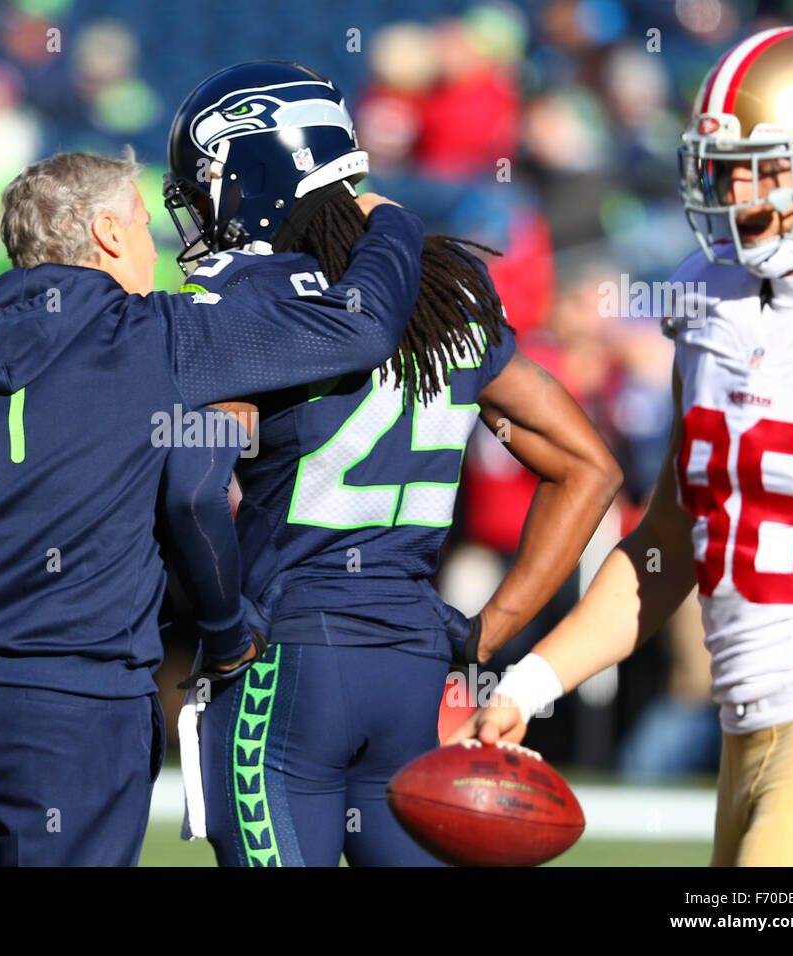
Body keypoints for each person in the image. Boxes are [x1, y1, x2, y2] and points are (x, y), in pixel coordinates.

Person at [0, 149, 428, 866]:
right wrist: (392, 226)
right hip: (77, 707)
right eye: (148, 227)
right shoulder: (162, 336)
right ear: (110, 234)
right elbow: (360, 330)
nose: (160, 247)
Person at [162, 61, 621, 866]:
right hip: (413, 666)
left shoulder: (256, 294)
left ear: (256, 172)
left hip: (286, 660)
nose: (201, 208)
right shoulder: (452, 292)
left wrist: (224, 629)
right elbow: (589, 467)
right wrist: (490, 633)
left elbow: (191, 486)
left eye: (209, 184)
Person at [448, 25, 793, 867]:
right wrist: (533, 681)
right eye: (727, 168)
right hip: (747, 735)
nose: (741, 193)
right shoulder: (712, 302)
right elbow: (670, 543)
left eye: (769, 166)